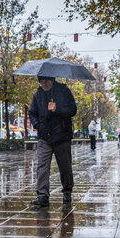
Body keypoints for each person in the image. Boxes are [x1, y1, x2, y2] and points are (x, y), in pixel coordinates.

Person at [28, 76, 77, 207]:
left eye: (46, 81)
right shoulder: (38, 94)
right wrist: (37, 125)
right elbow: (32, 112)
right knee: (42, 166)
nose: (44, 84)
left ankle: (67, 191)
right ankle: (42, 195)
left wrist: (57, 109)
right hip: (45, 136)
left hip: (62, 135)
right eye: (41, 81)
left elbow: (73, 110)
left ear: (52, 80)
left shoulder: (63, 90)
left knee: (65, 166)